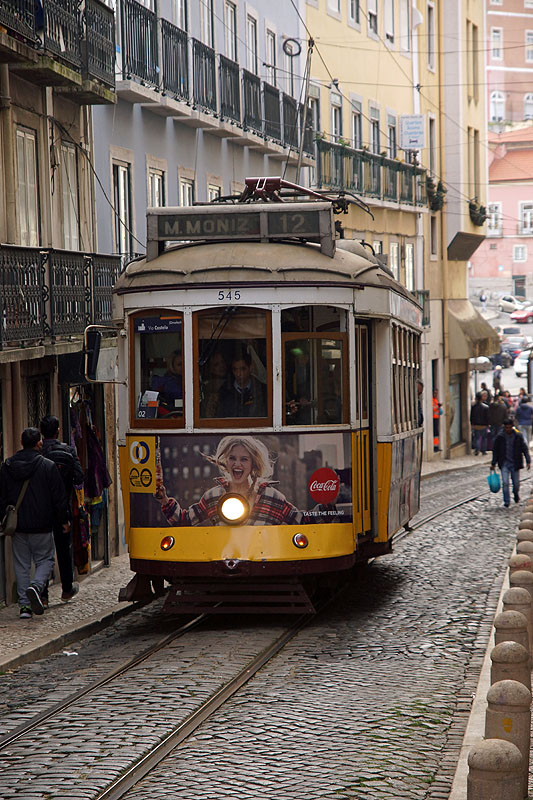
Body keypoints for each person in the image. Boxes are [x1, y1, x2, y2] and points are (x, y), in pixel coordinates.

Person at [156, 436, 304, 526]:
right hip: (225, 566)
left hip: (263, 567)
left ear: (253, 464)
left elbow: (301, 520)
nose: (237, 464)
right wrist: (164, 500)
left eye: (244, 459)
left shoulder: (273, 497)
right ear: (225, 462)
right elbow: (184, 521)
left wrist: (326, 508)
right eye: (232, 458)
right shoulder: (213, 496)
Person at [0, 428, 69, 619]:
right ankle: (36, 586)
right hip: (42, 523)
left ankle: (24, 608)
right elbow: (59, 497)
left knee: (21, 565)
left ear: (22, 443)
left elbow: (2, 497)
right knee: (46, 560)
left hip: (18, 525)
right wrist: (63, 520)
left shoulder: (7, 466)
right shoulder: (48, 466)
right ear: (39, 443)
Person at [40, 415, 84, 603]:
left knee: (42, 553)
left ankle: (43, 595)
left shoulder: (37, 454)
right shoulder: (67, 451)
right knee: (64, 549)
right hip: (63, 509)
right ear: (58, 430)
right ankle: (67, 589)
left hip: (40, 510)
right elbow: (79, 478)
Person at [491, 418, 531, 507]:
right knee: (505, 483)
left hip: (515, 463)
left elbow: (524, 448)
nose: (508, 429)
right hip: (504, 462)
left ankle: (515, 493)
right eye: (506, 428)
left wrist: (528, 460)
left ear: (512, 427)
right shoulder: (500, 437)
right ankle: (507, 501)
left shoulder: (518, 436)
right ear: (504, 427)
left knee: (516, 483)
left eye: (509, 427)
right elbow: (495, 450)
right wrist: (493, 463)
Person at [217, 352, 267, 418]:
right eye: (235, 369)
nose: (238, 374)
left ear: (250, 368)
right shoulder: (224, 391)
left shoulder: (263, 390)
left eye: (242, 369)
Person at [151, 350, 183, 417]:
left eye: (185, 363)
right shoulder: (169, 383)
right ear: (172, 366)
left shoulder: (186, 380)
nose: (183, 367)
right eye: (179, 365)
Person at [470, 391, 489, 455]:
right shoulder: (485, 407)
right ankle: (483, 451)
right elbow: (487, 417)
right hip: (483, 425)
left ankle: (477, 450)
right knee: (484, 438)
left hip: (476, 425)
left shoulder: (474, 407)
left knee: (477, 438)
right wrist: (487, 424)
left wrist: (472, 423)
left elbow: (471, 416)